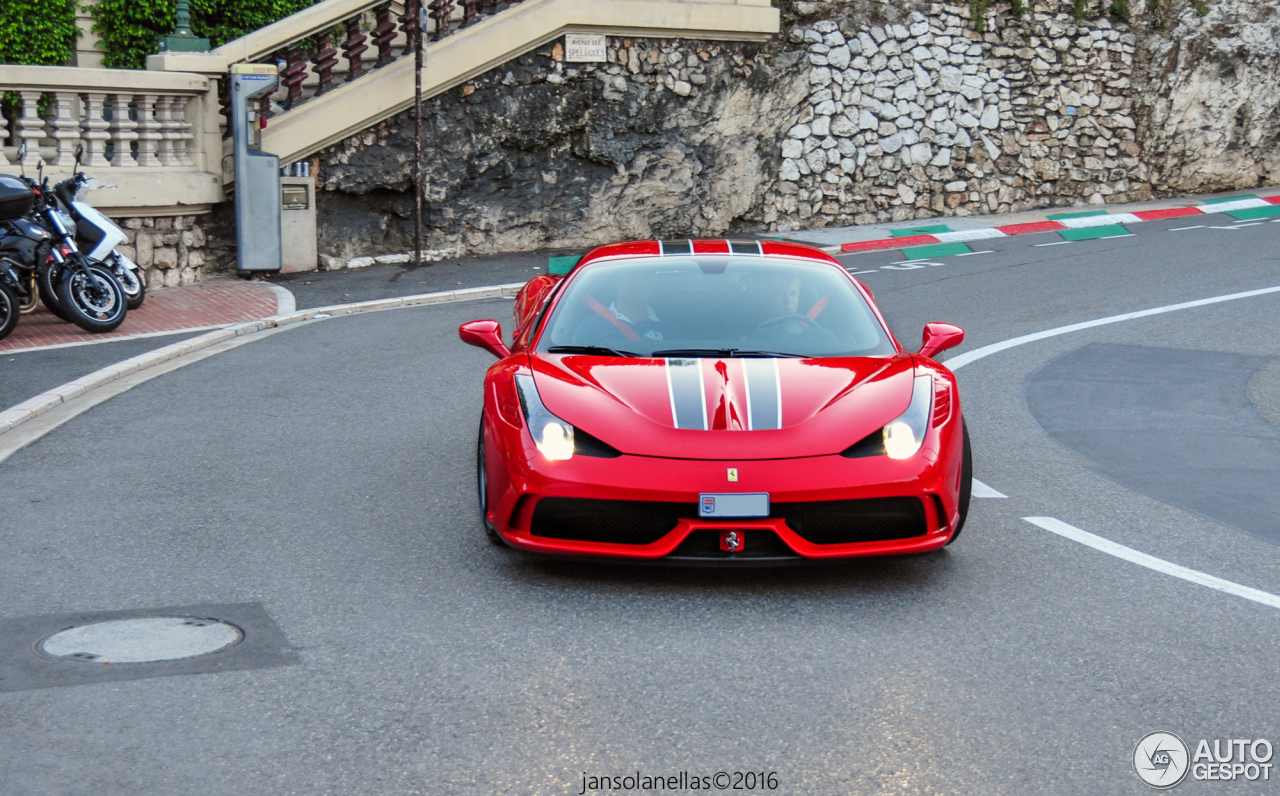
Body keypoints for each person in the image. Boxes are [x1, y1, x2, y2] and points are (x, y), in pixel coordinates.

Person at [572, 270, 665, 345]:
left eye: (644, 280)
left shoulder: (669, 327)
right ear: (618, 282)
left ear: (652, 286)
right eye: (631, 279)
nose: (637, 286)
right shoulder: (590, 326)